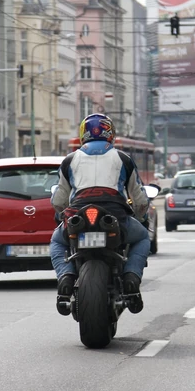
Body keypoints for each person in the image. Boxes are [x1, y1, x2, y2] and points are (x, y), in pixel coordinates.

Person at [49, 113, 150, 316]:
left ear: (82, 134)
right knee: (143, 237)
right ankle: (131, 277)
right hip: (115, 218)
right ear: (110, 133)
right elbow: (139, 200)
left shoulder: (69, 160)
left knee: (57, 242)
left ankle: (66, 277)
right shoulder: (123, 159)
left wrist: (61, 215)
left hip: (78, 216)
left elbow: (59, 201)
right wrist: (141, 218)